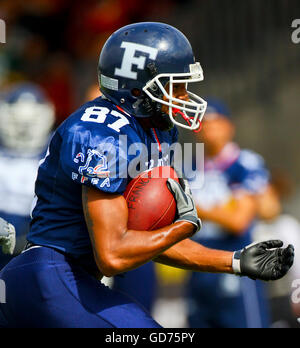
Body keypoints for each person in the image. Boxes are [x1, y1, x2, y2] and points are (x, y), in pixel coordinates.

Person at [0, 22, 294, 328]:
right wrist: (181, 227)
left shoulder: (155, 130)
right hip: (48, 278)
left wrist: (235, 261)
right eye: (175, 85)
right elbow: (113, 255)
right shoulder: (101, 134)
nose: (184, 95)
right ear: (139, 88)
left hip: (67, 282)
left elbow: (147, 239)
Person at [186, 99, 275, 328]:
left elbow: (238, 221)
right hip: (198, 265)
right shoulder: (188, 167)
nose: (209, 128)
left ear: (229, 126)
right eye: (204, 123)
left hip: (236, 264)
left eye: (215, 122)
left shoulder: (244, 163)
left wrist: (192, 207)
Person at [0, 83, 55, 269]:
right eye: (17, 121)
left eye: (30, 122)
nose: (23, 129)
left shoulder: (57, 148)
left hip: (40, 250)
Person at [253, 170, 300, 328]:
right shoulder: (251, 228)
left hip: (283, 300)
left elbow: (298, 268)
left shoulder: (287, 225)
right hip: (257, 300)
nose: (259, 202)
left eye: (264, 197)